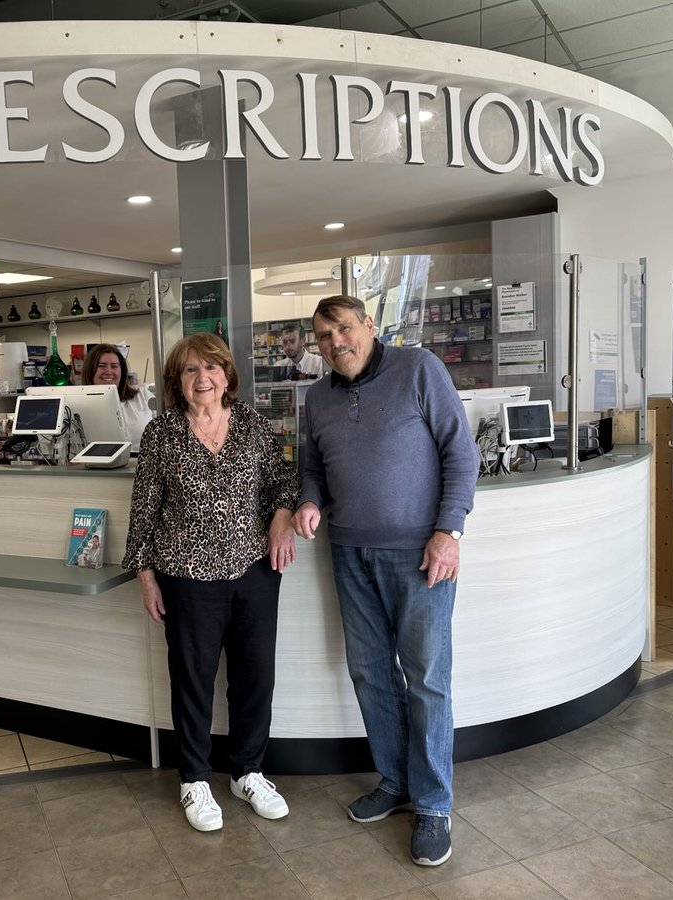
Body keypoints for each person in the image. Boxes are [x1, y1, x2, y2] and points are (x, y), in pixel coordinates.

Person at [292, 295, 479, 868]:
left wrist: (449, 531)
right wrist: (309, 500)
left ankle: (434, 804)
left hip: (420, 554)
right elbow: (312, 467)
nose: (335, 343)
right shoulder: (316, 397)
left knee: (426, 678)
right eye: (323, 336)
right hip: (349, 552)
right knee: (371, 671)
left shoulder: (418, 368)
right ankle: (395, 781)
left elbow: (461, 453)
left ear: (369, 325)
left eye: (344, 329)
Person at [123, 332, 299, 833]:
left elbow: (281, 483)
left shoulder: (252, 424)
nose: (203, 378)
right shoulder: (162, 433)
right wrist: (145, 576)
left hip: (254, 571)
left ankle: (248, 772)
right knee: (193, 681)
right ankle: (195, 779)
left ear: (227, 375)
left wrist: (281, 519)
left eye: (212, 367)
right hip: (186, 576)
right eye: (190, 369)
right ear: (176, 381)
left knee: (255, 677)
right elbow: (144, 509)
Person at [81, 343, 154, 453]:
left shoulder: (142, 395)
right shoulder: (81, 405)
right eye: (102, 366)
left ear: (122, 371)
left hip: (143, 461)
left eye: (114, 366)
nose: (108, 371)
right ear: (90, 370)